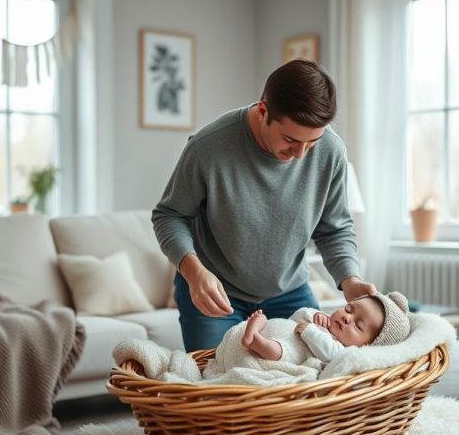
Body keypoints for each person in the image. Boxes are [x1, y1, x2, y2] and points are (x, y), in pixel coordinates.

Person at [153, 59, 376, 351]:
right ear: (263, 111)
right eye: (290, 140)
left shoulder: (332, 151)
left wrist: (349, 278)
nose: (300, 154)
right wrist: (194, 273)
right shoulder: (208, 147)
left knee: (310, 381)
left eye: (312, 143)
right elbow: (169, 215)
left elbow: (334, 229)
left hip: (289, 291)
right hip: (216, 293)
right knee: (219, 390)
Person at [241, 292, 411, 363]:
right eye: (349, 309)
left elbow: (331, 354)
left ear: (367, 346)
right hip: (278, 328)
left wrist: (312, 332)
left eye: (358, 326)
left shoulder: (344, 351)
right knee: (262, 316)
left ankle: (256, 342)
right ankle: (252, 330)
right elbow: (296, 318)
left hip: (287, 348)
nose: (346, 318)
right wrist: (312, 315)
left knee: (280, 351)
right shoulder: (324, 321)